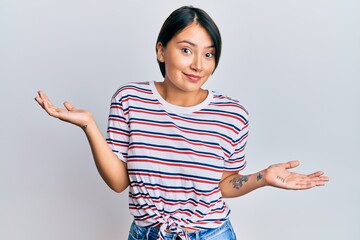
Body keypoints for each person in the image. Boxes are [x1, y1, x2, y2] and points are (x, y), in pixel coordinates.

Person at [35, 6, 329, 240]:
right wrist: (89, 125)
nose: (198, 65)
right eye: (186, 50)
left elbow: (224, 185)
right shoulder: (130, 100)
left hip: (212, 234)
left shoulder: (232, 114)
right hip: (148, 235)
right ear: (161, 51)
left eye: (209, 54)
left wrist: (263, 177)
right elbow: (119, 182)